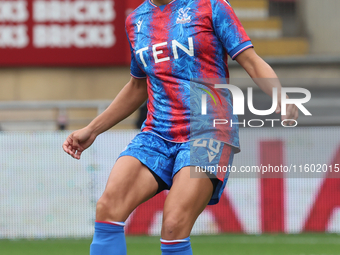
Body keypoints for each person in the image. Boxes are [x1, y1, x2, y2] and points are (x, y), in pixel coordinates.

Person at [63, 0, 298, 254]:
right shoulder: (136, 20)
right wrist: (93, 129)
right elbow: (138, 85)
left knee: (174, 224)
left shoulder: (211, 6)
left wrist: (280, 95)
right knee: (108, 207)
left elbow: (251, 60)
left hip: (208, 129)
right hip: (156, 133)